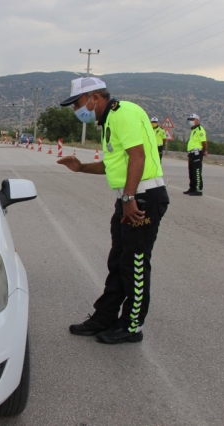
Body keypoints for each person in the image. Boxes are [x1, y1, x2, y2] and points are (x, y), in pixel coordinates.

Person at [57, 77, 170, 344]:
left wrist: (130, 197)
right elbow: (112, 165)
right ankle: (105, 317)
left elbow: (137, 156)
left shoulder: (124, 114)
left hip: (143, 196)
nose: (76, 110)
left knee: (136, 263)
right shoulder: (109, 121)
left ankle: (132, 326)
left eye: (77, 103)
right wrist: (82, 167)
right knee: (119, 261)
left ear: (94, 98)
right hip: (129, 197)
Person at [184, 113, 207, 196]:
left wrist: (205, 151)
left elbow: (204, 142)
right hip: (192, 153)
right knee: (191, 171)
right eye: (190, 120)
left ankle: (198, 189)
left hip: (197, 153)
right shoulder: (193, 130)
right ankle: (192, 188)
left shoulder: (200, 130)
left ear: (197, 120)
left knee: (197, 171)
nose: (190, 121)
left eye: (192, 120)